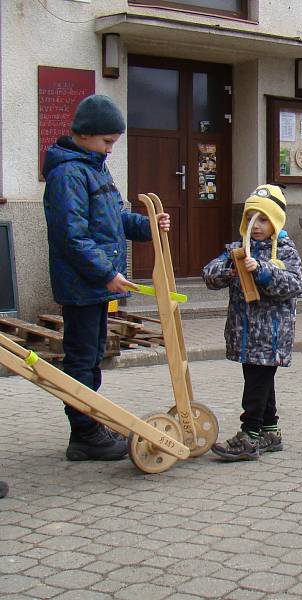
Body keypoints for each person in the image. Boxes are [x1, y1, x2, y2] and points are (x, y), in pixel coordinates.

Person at [43, 94, 170, 462]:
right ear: (84, 134)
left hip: (95, 284)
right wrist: (105, 273)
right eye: (107, 142)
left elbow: (116, 219)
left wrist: (149, 228)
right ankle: (84, 435)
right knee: (82, 360)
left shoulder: (95, 167)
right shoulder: (68, 173)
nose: (111, 149)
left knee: (93, 354)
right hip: (82, 285)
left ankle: (91, 423)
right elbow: (71, 236)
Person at [202, 184, 302, 461]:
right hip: (244, 331)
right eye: (250, 218)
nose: (255, 225)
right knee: (260, 379)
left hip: (271, 334)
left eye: (263, 219)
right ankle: (271, 432)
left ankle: (249, 436)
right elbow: (209, 274)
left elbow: (294, 285)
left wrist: (263, 271)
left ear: (275, 222)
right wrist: (229, 269)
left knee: (257, 382)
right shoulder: (238, 249)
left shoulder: (285, 252)